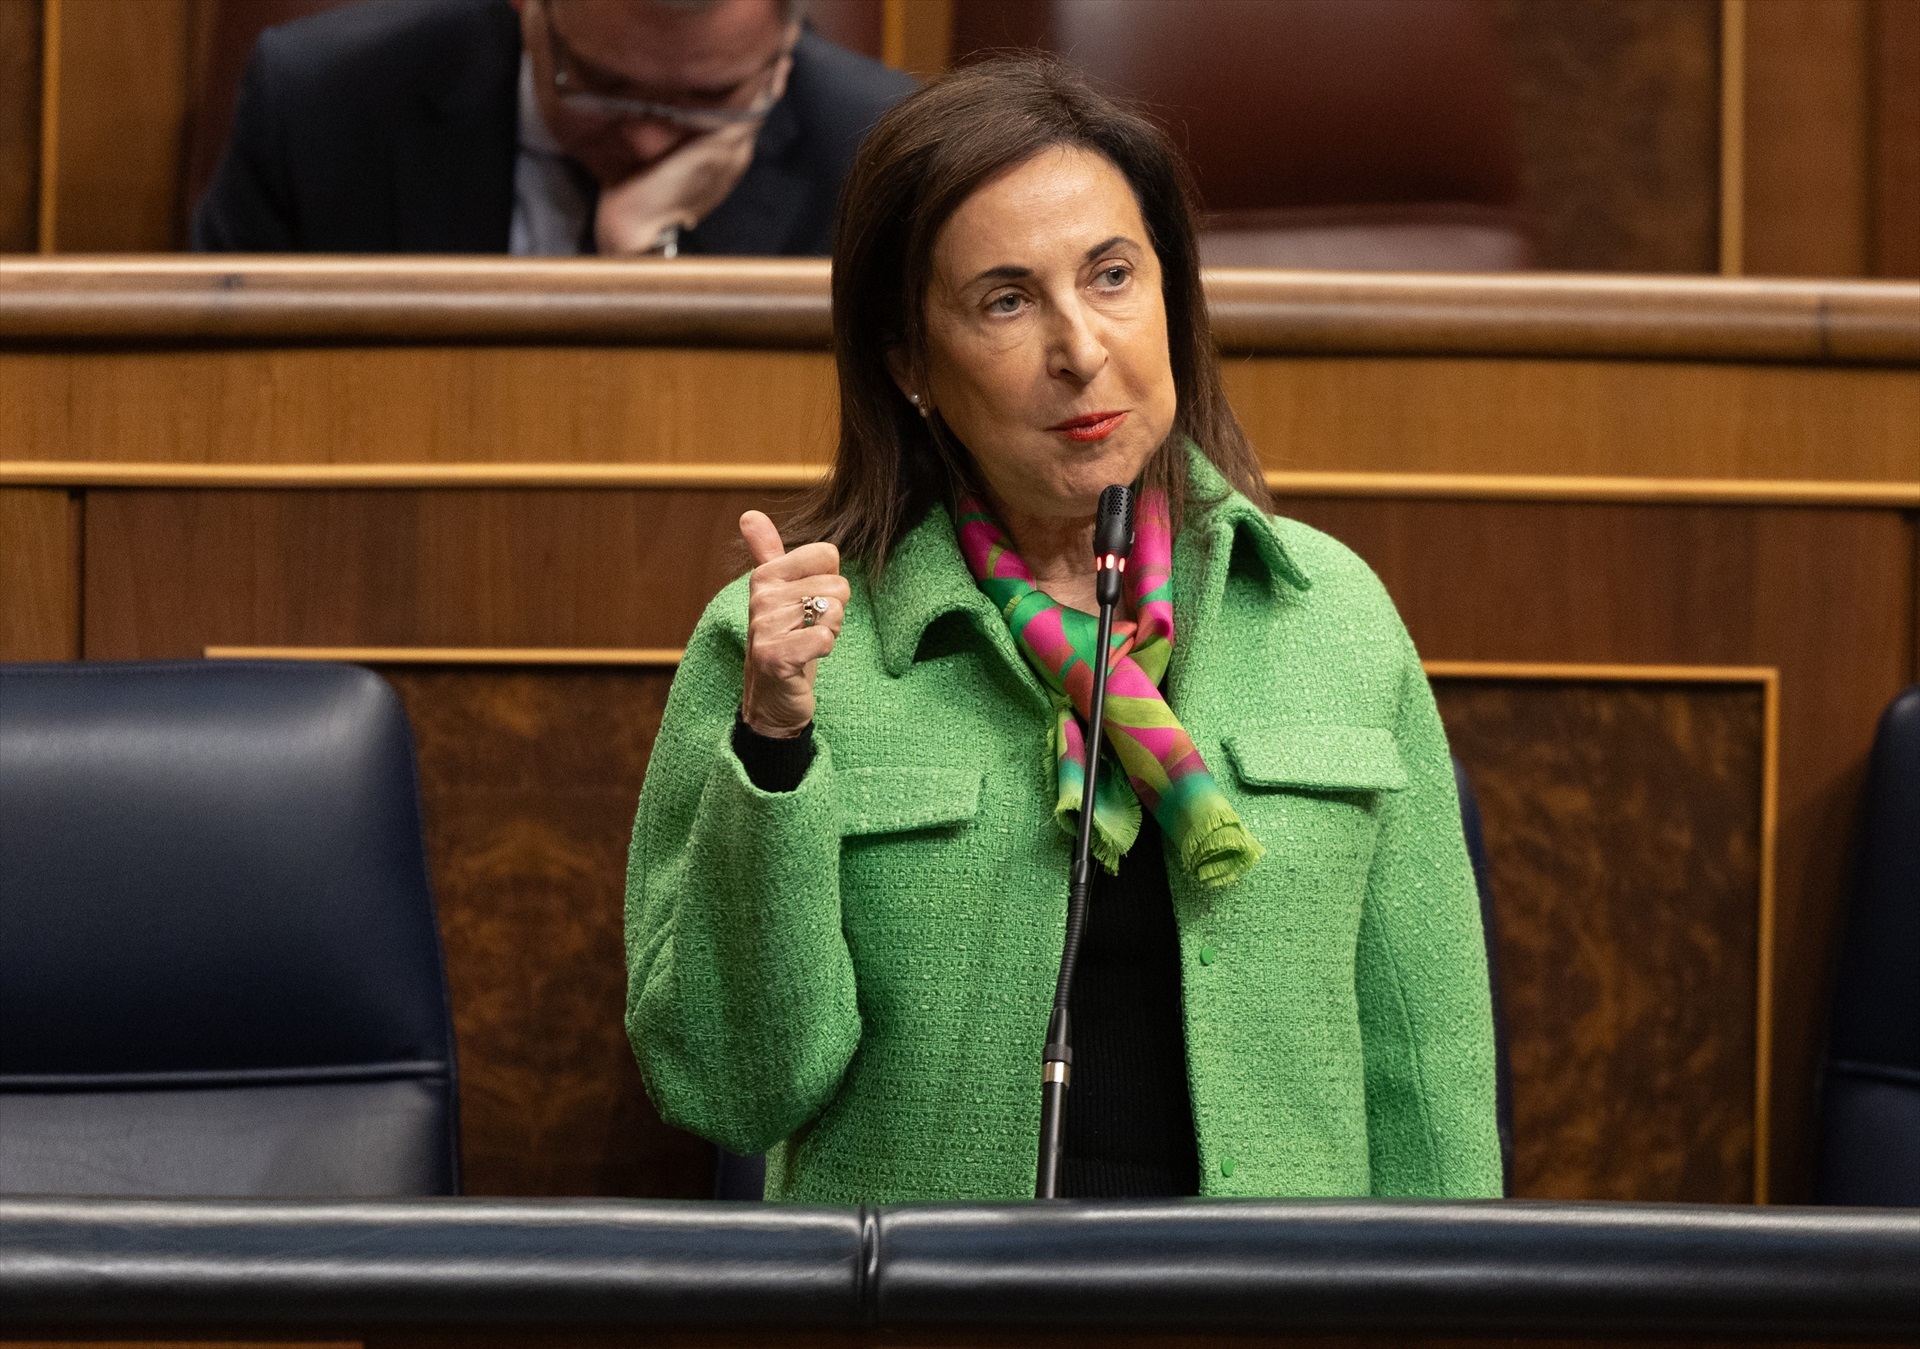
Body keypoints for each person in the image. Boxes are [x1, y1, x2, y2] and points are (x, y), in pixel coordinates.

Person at [624, 58, 1503, 1203]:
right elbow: (731, 1089)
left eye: (1112, 275)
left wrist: (1451, 1289)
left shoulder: (1328, 615)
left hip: (1271, 1289)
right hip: (935, 1292)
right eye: (1006, 300)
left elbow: (1430, 1084)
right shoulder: (794, 646)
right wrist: (776, 745)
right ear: (909, 362)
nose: (1080, 348)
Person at [192, 0, 915, 255]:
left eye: (710, 99)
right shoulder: (322, 106)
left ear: (785, 48)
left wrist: (645, 265)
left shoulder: (876, 154)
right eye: (604, 86)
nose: (648, 142)